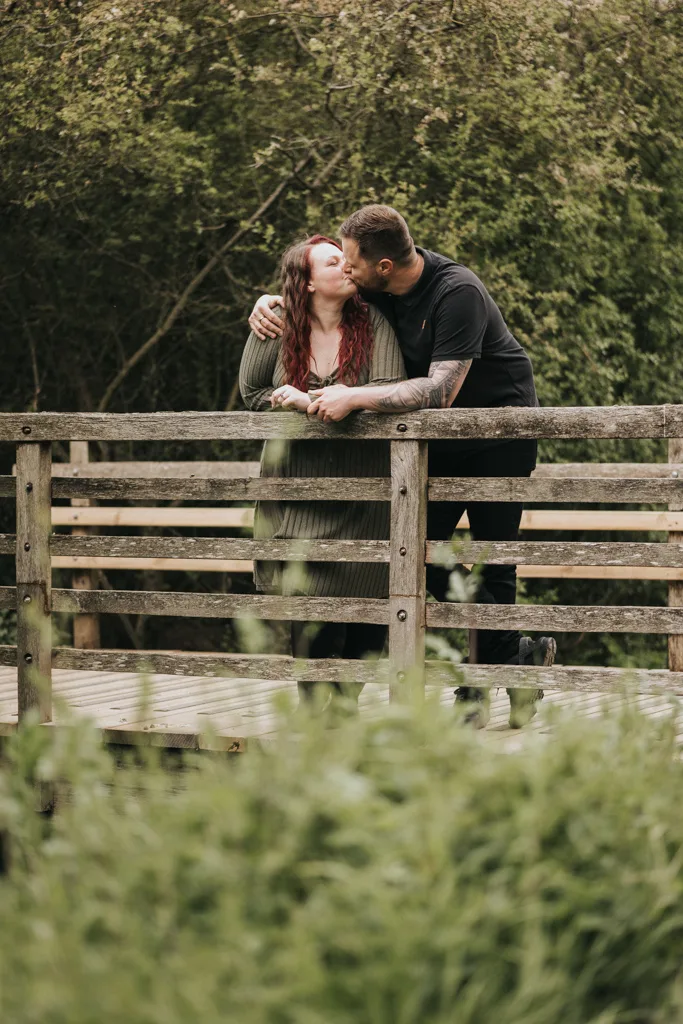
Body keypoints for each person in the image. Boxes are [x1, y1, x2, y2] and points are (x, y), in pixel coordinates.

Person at [248, 206, 556, 729]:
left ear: (383, 265)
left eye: (351, 263)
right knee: (408, 556)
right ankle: (520, 657)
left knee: (491, 560)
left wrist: (352, 396)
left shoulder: (458, 292)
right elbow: (314, 295)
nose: (346, 271)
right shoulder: (372, 286)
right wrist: (269, 301)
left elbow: (438, 393)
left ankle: (477, 690)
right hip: (433, 441)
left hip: (498, 434)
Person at [239, 234, 406, 714]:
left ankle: (348, 700)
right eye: (334, 261)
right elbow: (251, 394)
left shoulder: (372, 321)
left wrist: (306, 400)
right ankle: (313, 705)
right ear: (308, 282)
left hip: (363, 484)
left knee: (368, 589)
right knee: (308, 593)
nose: (346, 266)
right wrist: (288, 400)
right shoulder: (276, 325)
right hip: (298, 485)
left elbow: (387, 389)